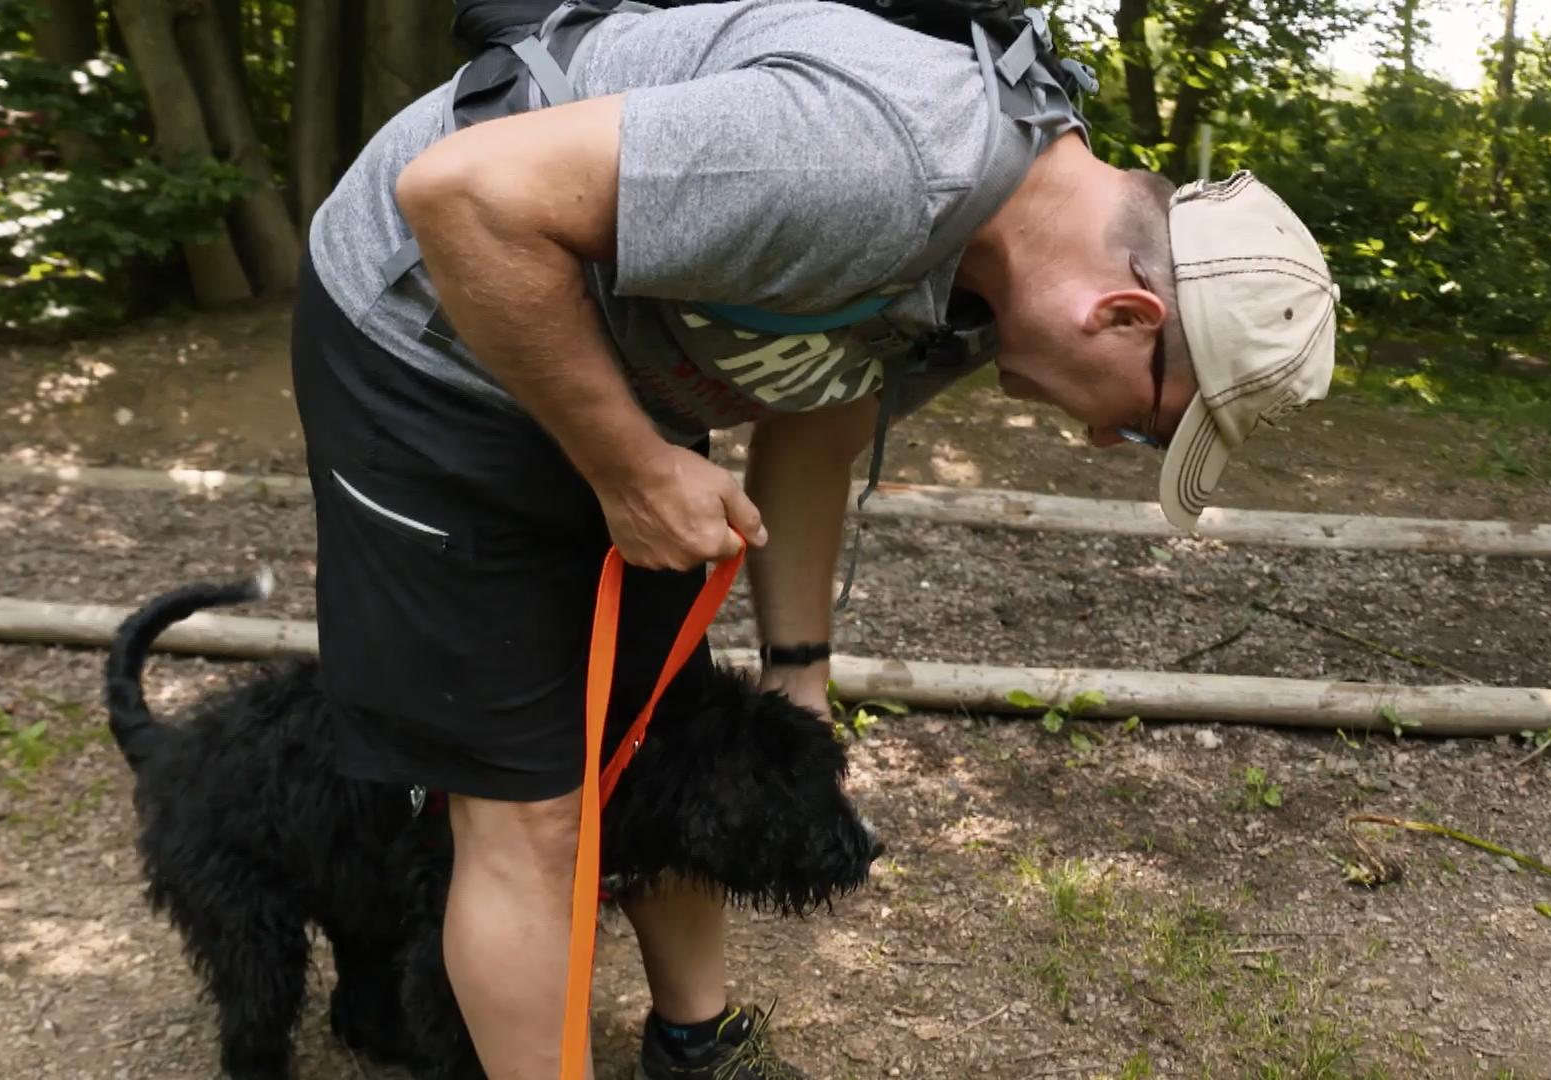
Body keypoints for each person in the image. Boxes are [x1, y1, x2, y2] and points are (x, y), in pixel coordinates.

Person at [290, 0, 1338, 1076]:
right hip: (432, 331)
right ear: (1125, 318)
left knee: (664, 732)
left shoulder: (996, 273)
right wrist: (631, 468)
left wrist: (799, 670)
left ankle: (694, 1044)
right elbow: (460, 195)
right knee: (532, 808)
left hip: (594, 348)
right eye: (1148, 418)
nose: (1108, 436)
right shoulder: (877, 166)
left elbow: (813, 421)